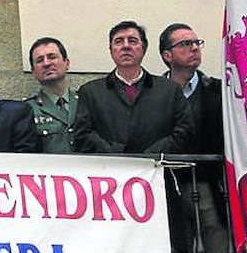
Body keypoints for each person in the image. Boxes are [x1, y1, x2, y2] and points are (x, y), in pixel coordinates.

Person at [159, 23, 240, 253]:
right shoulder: (155, 94)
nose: (194, 48)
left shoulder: (217, 90)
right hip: (171, 192)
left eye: (196, 42)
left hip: (208, 190)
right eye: (185, 44)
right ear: (167, 55)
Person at [73, 20, 193, 154]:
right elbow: (83, 136)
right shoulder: (90, 92)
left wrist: (147, 157)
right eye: (118, 41)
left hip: (158, 170)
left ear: (143, 49)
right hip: (108, 170)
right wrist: (120, 155)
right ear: (111, 51)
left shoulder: (170, 90)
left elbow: (184, 132)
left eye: (132, 41)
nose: (126, 46)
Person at [25, 37, 77, 153]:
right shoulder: (27, 110)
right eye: (39, 60)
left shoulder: (86, 102)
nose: (46, 63)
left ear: (66, 63)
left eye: (52, 57)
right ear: (33, 72)